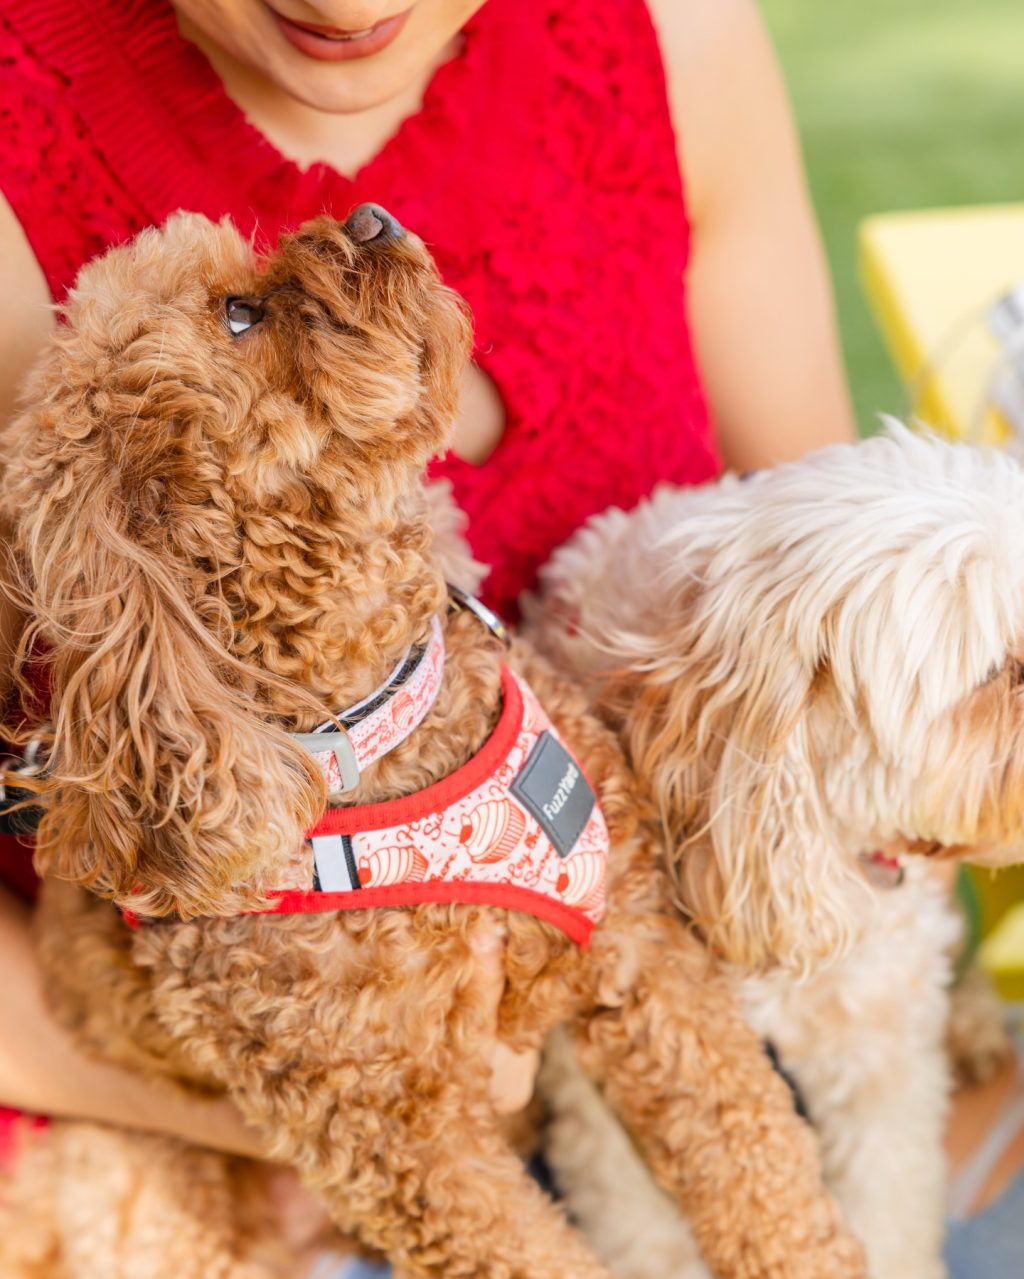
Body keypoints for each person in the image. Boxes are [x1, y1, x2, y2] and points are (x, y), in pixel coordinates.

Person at [0, 0, 869, 1268]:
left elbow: (840, 620)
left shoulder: (675, 39)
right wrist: (360, 1110)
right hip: (173, 1138)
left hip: (707, 1014)